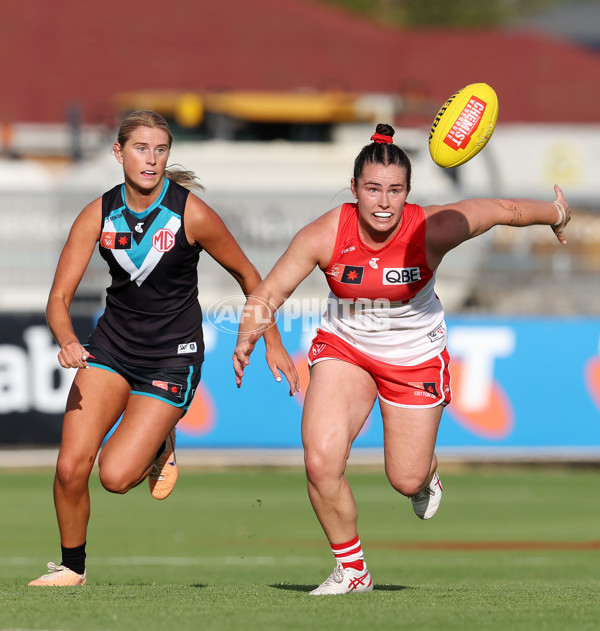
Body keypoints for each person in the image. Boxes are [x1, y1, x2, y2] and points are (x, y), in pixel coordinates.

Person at [232, 123, 571, 595]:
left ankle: (425, 470)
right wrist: (248, 334)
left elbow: (501, 210)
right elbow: (270, 291)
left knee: (405, 477)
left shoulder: (433, 227)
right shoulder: (326, 232)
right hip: (345, 347)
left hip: (414, 357)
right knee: (320, 459)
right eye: (373, 189)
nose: (384, 202)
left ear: (409, 193)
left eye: (395, 190)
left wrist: (554, 212)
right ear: (354, 190)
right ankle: (353, 572)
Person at [29, 110, 298, 587]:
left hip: (172, 357)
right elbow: (58, 299)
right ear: (118, 153)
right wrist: (68, 340)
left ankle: (161, 441)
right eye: (140, 148)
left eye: (160, 149)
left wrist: (270, 338)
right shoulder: (97, 213)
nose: (151, 159)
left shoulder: (190, 212)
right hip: (110, 350)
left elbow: (250, 276)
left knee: (114, 478)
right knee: (70, 468)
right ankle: (72, 568)